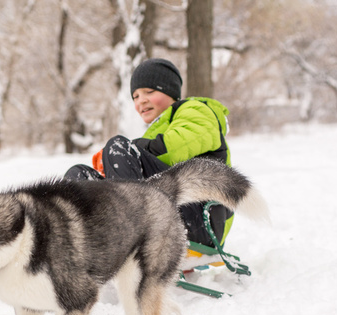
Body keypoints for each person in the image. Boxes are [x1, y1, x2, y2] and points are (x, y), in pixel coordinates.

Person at [64, 58, 233, 247]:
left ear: (170, 90)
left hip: (202, 219)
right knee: (79, 175)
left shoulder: (196, 111)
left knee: (117, 146)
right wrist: (111, 168)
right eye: (135, 96)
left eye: (149, 92)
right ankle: (90, 244)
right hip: (168, 210)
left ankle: (131, 235)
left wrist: (122, 153)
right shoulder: (156, 130)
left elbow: (173, 150)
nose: (141, 100)